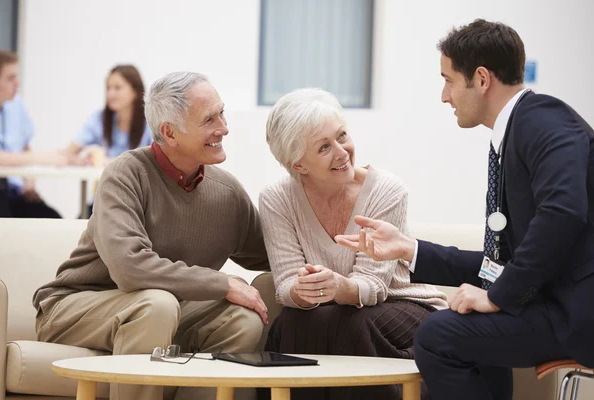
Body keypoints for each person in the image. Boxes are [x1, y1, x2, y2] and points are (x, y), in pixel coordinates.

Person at [335, 19, 594, 400]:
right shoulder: (516, 134)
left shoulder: (545, 122)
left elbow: (563, 213)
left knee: (439, 335)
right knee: (460, 328)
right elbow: (500, 262)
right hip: (554, 307)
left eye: (449, 80)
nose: (444, 96)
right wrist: (409, 249)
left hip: (577, 315)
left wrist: (497, 296)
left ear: (482, 79)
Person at [33, 72, 269, 400]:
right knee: (156, 305)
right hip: (75, 307)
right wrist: (223, 284)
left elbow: (272, 254)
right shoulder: (125, 175)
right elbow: (130, 268)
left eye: (222, 113)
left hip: (163, 310)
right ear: (170, 132)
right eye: (209, 119)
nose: (224, 127)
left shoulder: (227, 193)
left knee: (243, 319)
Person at [259, 88, 447, 400]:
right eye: (323, 147)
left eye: (342, 135)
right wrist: (304, 290)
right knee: (292, 322)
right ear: (298, 166)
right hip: (332, 314)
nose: (342, 151)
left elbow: (374, 284)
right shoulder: (276, 199)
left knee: (349, 323)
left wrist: (338, 287)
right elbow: (285, 283)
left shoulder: (386, 190)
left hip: (403, 304)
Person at [65, 65, 153, 217]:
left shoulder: (150, 121)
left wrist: (109, 162)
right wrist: (84, 161)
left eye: (117, 88)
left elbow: (156, 163)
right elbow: (69, 152)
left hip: (139, 200)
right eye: (108, 88)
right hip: (104, 197)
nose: (110, 93)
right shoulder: (100, 119)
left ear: (135, 91)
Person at [0, 48, 66, 218]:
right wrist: (43, 158)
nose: (17, 83)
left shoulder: (15, 105)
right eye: (10, 78)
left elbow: (25, 146)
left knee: (53, 219)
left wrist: (30, 181)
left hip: (14, 191)